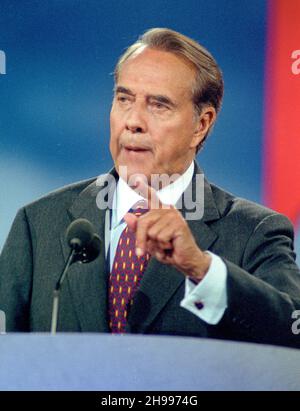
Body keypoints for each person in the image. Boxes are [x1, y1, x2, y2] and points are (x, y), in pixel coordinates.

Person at [0, 28, 299, 347]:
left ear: (201, 125)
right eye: (124, 99)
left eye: (158, 105)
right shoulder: (40, 223)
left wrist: (200, 267)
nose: (133, 121)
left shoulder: (254, 232)